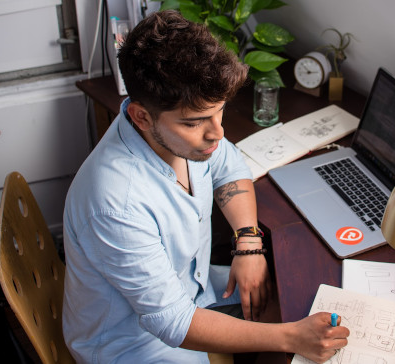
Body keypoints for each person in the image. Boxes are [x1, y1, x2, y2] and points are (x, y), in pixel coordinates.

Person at [61, 10, 349, 363]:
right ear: (141, 116)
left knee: (288, 297)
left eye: (220, 111)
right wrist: (292, 338)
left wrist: (248, 242)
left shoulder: (180, 135)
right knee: (291, 331)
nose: (218, 132)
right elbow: (174, 322)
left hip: (191, 287)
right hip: (134, 344)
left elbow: (229, 164)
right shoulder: (115, 204)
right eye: (196, 122)